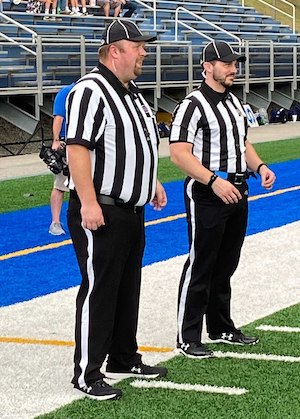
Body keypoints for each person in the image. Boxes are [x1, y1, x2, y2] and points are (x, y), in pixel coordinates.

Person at [66, 19, 167, 400]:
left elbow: (135, 145)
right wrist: (89, 202)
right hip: (103, 209)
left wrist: (150, 182)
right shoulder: (90, 90)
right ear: (114, 50)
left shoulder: (133, 92)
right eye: (138, 45)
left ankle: (123, 356)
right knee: (100, 289)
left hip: (131, 208)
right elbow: (78, 150)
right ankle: (86, 373)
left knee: (128, 286)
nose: (144, 51)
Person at [169, 41, 276, 359]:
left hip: (238, 189)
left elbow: (242, 143)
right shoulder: (192, 104)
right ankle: (188, 336)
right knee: (201, 263)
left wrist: (259, 166)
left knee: (226, 263)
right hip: (207, 191)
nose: (234, 68)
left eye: (235, 63)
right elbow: (178, 154)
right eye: (227, 63)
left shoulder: (234, 104)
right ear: (207, 67)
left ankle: (220, 327)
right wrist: (214, 181)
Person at [48, 83, 75, 236]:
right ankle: (55, 221)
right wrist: (57, 140)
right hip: (67, 142)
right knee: (60, 184)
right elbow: (59, 117)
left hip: (81, 141)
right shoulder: (67, 92)